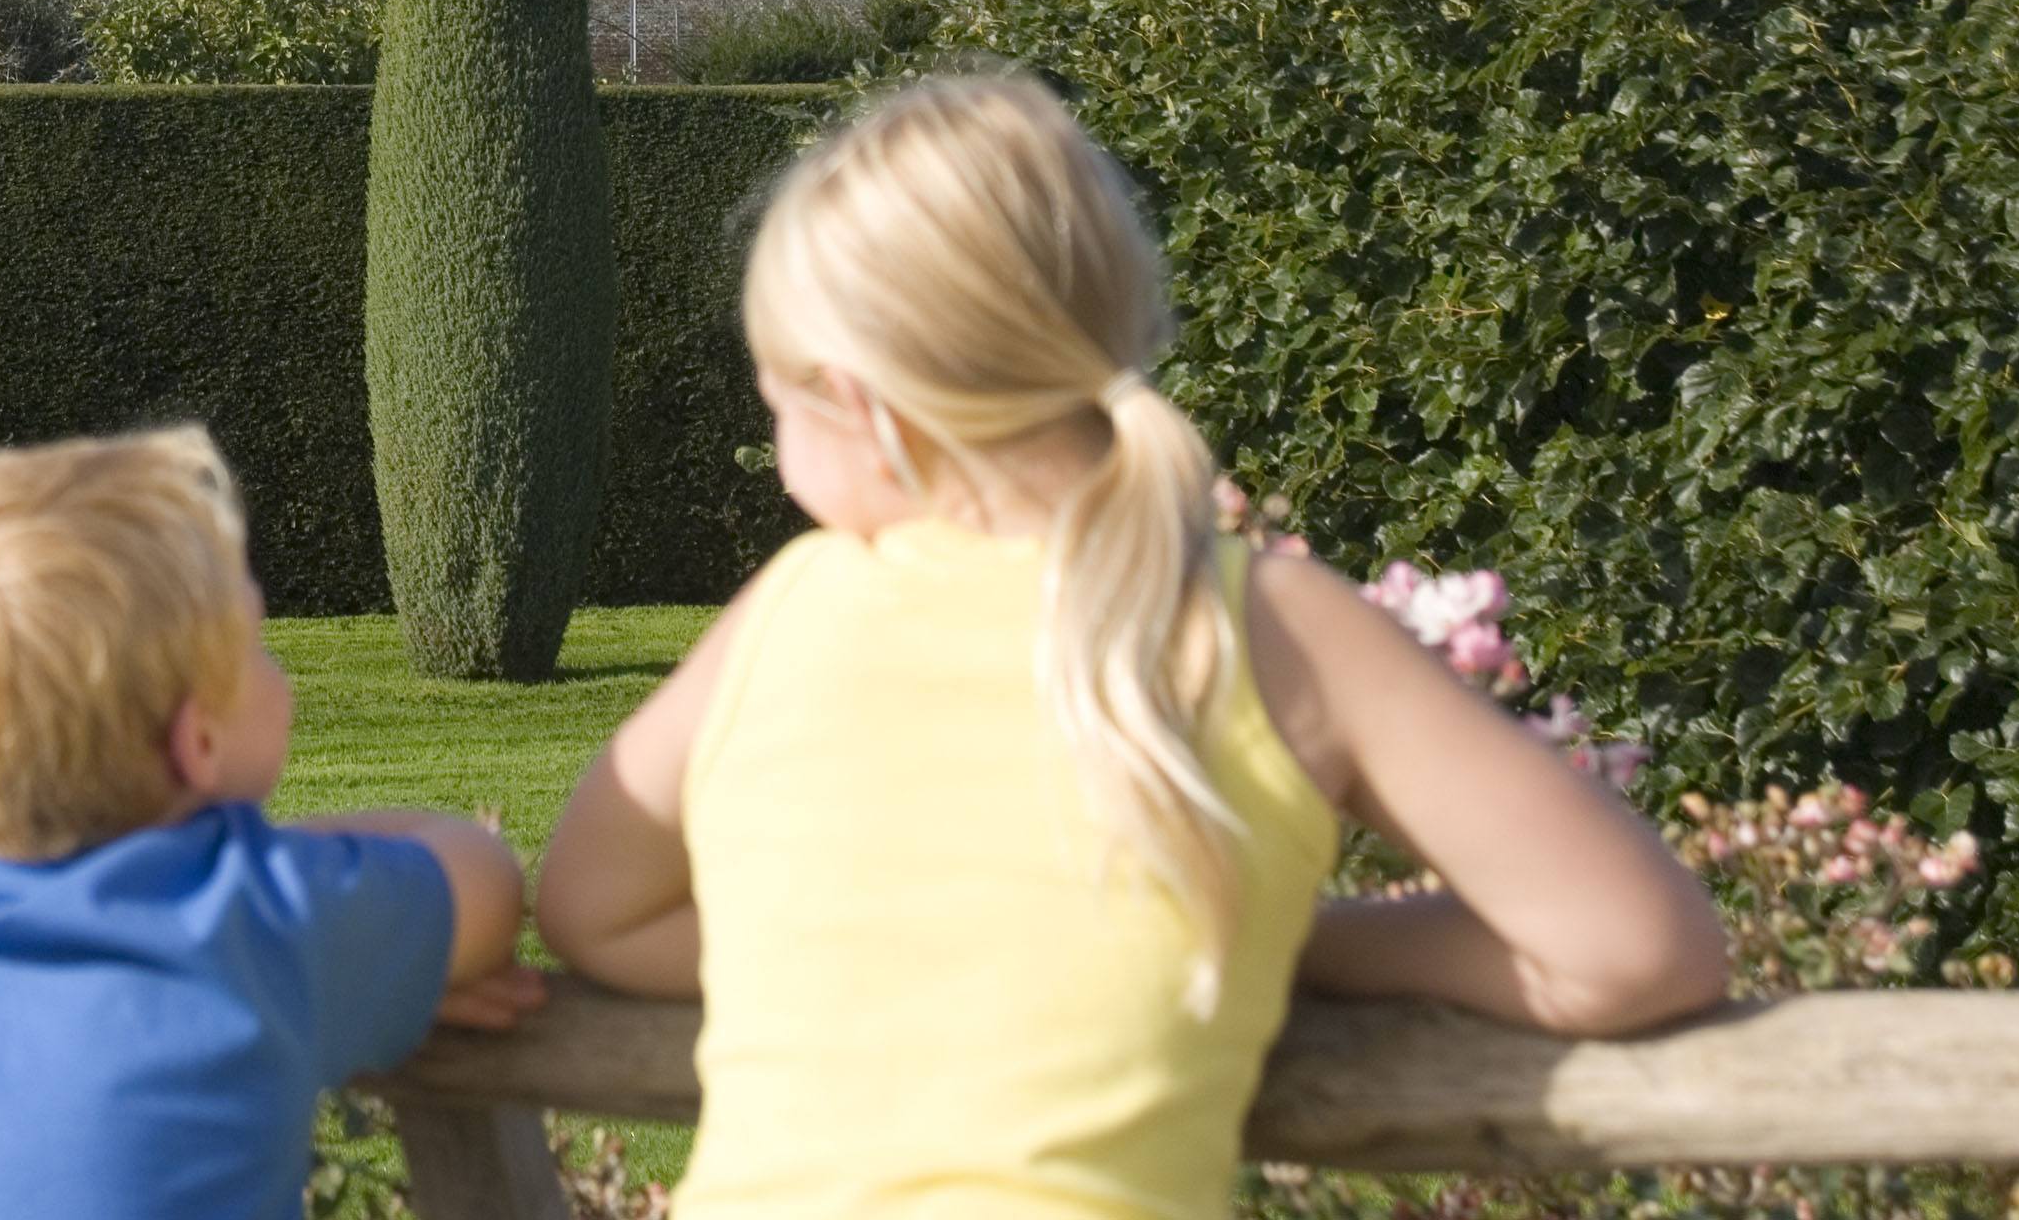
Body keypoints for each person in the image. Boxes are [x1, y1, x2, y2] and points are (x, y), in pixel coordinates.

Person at [534, 75, 1728, 1217]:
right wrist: (1302, 944)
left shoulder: (793, 608)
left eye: (777, 402)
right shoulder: (1274, 624)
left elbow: (597, 912)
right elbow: (1631, 952)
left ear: (864, 406)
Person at [0, 424, 536, 1220]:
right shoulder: (250, 916)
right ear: (199, 743)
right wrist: (329, 911)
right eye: (260, 645)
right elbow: (489, 881)